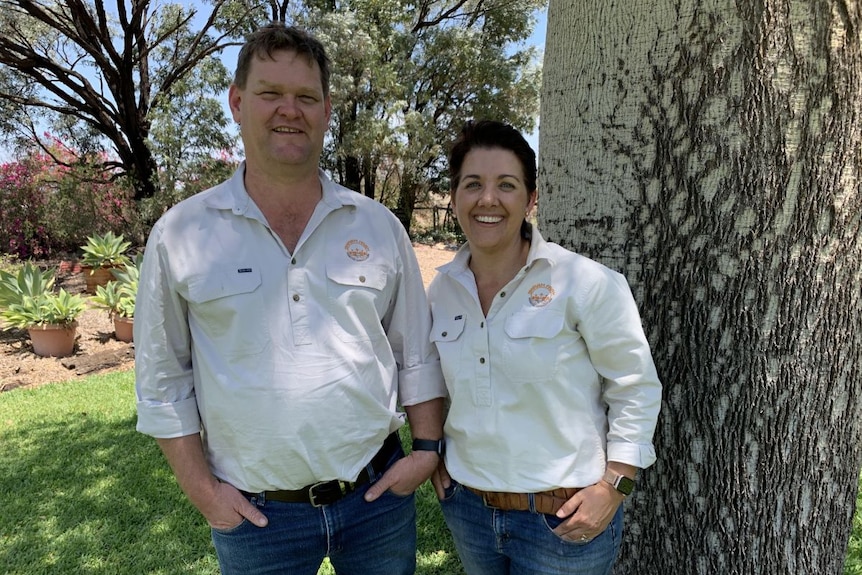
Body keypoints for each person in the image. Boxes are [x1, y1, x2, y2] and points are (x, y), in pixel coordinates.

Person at [134, 23, 446, 575]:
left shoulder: (376, 226)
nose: (289, 110)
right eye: (270, 94)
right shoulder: (181, 233)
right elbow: (163, 379)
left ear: (327, 110)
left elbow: (415, 351)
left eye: (305, 97)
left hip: (377, 500)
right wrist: (203, 491)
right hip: (256, 515)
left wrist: (426, 449)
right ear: (237, 102)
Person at [428, 120, 662, 575]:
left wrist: (615, 486)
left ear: (531, 198)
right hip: (470, 512)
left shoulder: (586, 284)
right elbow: (433, 381)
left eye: (507, 185)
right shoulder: (441, 291)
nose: (488, 199)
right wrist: (430, 451)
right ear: (454, 196)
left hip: (563, 520)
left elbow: (634, 386)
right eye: (472, 184)